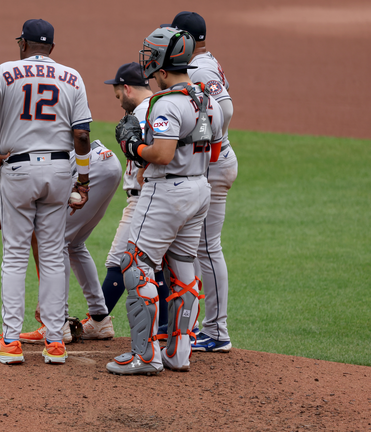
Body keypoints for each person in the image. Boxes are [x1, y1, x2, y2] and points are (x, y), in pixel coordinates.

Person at [0, 19, 93, 365]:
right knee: (52, 256)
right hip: (60, 171)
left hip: (18, 170)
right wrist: (83, 180)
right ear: (52, 48)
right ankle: (55, 343)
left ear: (22, 44)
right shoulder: (72, 77)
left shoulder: (5, 72)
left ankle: (10, 342)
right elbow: (82, 135)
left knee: (16, 256)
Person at [105, 27, 224, 375]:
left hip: (167, 192)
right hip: (200, 188)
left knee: (136, 264)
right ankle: (178, 353)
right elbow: (215, 152)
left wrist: (132, 146)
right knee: (184, 268)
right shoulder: (209, 100)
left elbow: (161, 154)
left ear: (160, 62)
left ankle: (144, 355)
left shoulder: (166, 104)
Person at [0, 141, 121, 344]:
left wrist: (45, 301)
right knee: (74, 244)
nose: (1, 228)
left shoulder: (10, 191)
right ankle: (99, 319)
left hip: (90, 168)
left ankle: (58, 323)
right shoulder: (8, 185)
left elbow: (37, 241)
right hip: (106, 162)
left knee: (59, 242)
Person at [164, 12, 238, 353]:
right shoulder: (205, 61)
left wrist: (207, 141)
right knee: (194, 246)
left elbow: (225, 108)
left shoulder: (199, 69)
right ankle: (193, 325)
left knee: (207, 247)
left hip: (214, 164)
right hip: (212, 162)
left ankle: (217, 331)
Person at [100, 62, 171, 336]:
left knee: (118, 260)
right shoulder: (162, 105)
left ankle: (98, 320)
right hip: (163, 196)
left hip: (143, 198)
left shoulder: (143, 111)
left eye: (119, 95)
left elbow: (153, 150)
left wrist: (143, 170)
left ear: (127, 88)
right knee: (155, 263)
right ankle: (165, 325)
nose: (119, 102)